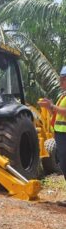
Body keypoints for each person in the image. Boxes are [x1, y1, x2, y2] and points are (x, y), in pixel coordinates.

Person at [38, 66, 66, 206]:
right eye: (61, 79)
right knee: (64, 165)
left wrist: (53, 106)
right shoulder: (62, 96)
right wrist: (48, 106)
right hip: (60, 134)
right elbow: (56, 114)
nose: (61, 82)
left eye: (63, 79)